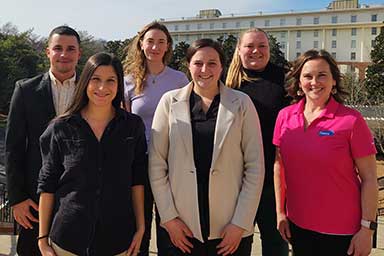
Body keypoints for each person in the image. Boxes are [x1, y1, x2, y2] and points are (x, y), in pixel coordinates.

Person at [149, 38, 265, 256]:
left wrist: (240, 223)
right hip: (180, 228)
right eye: (198, 63)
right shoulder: (169, 102)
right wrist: (169, 219)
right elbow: (156, 164)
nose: (205, 70)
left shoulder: (242, 104)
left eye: (212, 63)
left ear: (222, 66)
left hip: (228, 229)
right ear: (188, 66)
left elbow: (255, 167)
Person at [37, 52, 146, 256]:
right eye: (96, 79)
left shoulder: (132, 126)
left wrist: (141, 228)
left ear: (119, 85)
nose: (102, 88)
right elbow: (47, 183)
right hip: (67, 240)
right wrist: (43, 239)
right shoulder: (62, 127)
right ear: (85, 82)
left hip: (118, 239)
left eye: (110, 81)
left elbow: (137, 180)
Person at [273, 49, 378, 256]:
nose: (315, 82)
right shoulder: (284, 116)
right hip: (298, 225)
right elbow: (279, 167)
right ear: (299, 82)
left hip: (343, 232)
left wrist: (367, 229)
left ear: (334, 81)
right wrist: (280, 213)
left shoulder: (351, 120)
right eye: (308, 76)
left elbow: (369, 179)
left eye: (322, 75)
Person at [5, 25, 81, 256]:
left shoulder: (92, 89)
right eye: (58, 48)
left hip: (79, 195)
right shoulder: (26, 90)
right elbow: (14, 148)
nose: (64, 54)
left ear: (79, 53)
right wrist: (17, 199)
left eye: (70, 49)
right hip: (34, 198)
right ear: (47, 52)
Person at [123, 21, 189, 256]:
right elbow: (124, 123)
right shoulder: (128, 81)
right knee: (138, 228)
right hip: (138, 162)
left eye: (161, 41)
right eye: (150, 41)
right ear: (141, 44)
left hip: (171, 164)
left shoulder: (180, 80)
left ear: (168, 46)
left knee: (169, 226)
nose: (155, 46)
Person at [226, 28, 289, 256]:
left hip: (272, 178)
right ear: (239, 49)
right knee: (236, 244)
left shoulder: (285, 79)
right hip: (234, 179)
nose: (256, 51)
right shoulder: (225, 81)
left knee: (275, 241)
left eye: (262, 46)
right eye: (250, 46)